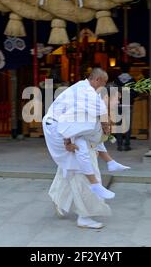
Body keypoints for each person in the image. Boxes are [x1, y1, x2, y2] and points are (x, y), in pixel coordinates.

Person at [44, 68, 129, 229]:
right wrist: (67, 142)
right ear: (97, 80)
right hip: (57, 128)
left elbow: (85, 130)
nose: (118, 102)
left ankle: (60, 200)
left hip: (62, 127)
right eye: (117, 98)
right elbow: (72, 124)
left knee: (73, 166)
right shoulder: (89, 96)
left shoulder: (86, 94)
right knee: (83, 168)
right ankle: (85, 215)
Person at [114, 62, 138, 151]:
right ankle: (127, 144)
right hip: (128, 104)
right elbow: (136, 93)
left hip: (118, 105)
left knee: (119, 124)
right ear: (129, 69)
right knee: (128, 125)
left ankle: (119, 145)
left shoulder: (116, 80)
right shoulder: (132, 80)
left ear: (120, 69)